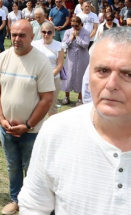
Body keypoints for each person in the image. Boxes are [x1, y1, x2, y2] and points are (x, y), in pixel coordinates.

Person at [18, 27, 131, 214]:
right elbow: (34, 206)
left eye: (127, 74)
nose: (111, 85)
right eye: (102, 70)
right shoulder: (56, 131)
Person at [0, 19, 55, 215]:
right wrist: (1, 119)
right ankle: (15, 200)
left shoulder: (41, 62)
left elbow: (47, 99)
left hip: (31, 131)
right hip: (6, 128)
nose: (17, 39)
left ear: (32, 37)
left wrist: (28, 124)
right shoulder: (3, 57)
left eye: (22, 35)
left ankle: (36, 204)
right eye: (14, 35)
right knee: (13, 166)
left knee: (34, 170)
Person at [32, 21, 65, 116]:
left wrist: (48, 76)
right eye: (44, 32)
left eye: (49, 32)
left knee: (52, 105)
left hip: (53, 79)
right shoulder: (34, 44)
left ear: (54, 33)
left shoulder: (59, 46)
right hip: (37, 78)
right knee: (35, 104)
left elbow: (59, 65)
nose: (46, 34)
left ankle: (52, 129)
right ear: (40, 32)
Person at [61, 16, 90, 106]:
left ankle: (79, 98)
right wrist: (72, 37)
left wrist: (77, 37)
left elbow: (85, 45)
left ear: (80, 24)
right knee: (68, 76)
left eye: (76, 26)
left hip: (82, 57)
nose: (74, 27)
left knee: (80, 76)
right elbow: (64, 45)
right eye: (73, 25)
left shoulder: (86, 32)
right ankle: (66, 96)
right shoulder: (68, 32)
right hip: (71, 57)